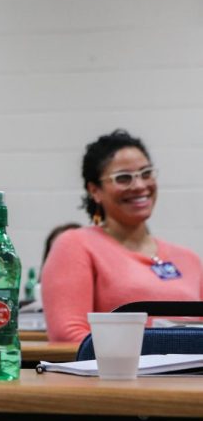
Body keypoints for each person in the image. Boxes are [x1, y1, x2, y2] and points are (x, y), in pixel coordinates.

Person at [41, 129, 203, 343]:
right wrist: (145, 356)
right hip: (120, 374)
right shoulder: (75, 245)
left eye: (146, 173)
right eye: (123, 178)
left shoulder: (189, 259)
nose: (139, 186)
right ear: (95, 191)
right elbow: (68, 335)